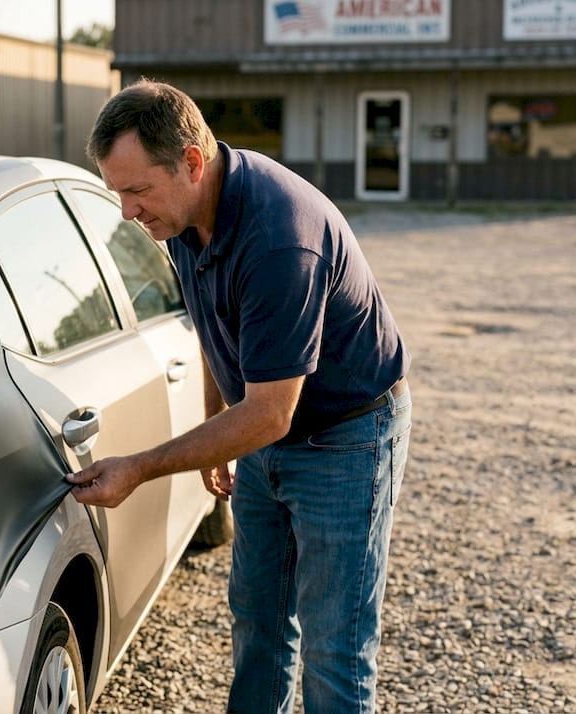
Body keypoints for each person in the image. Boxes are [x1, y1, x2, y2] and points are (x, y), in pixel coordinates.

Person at [66, 79, 411, 713]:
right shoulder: (181, 217)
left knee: (335, 648)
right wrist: (211, 436)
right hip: (264, 433)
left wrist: (141, 467)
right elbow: (213, 328)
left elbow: (271, 411)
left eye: (137, 190)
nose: (127, 213)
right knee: (257, 619)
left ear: (191, 162)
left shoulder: (280, 238)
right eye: (118, 192)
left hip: (345, 438)